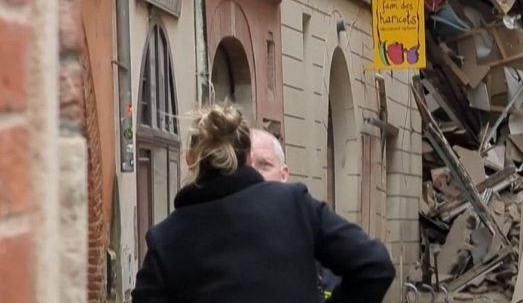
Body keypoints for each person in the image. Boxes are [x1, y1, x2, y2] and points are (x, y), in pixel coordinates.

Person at [132, 103, 395, 303]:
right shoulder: (293, 204)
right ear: (247, 157)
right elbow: (375, 265)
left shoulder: (166, 240)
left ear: (191, 159)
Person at [247, 129, 342, 300]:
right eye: (246, 168)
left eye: (264, 165)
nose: (255, 175)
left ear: (284, 174)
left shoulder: (312, 232)